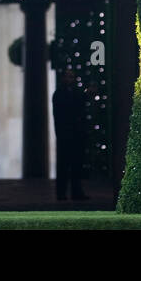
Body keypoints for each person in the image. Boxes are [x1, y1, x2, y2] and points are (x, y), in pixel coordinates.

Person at [52, 68, 88, 201]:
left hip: (76, 134)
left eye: (72, 77)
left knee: (76, 165)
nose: (70, 79)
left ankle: (76, 192)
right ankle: (61, 193)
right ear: (62, 78)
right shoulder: (59, 94)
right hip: (65, 135)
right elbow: (66, 112)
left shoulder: (73, 93)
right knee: (64, 165)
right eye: (68, 77)